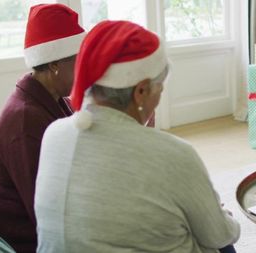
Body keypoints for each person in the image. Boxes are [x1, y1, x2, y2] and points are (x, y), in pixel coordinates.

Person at [35, 20, 240, 253]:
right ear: (141, 91)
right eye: (159, 88)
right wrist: (225, 218)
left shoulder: (53, 135)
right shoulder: (174, 154)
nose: (159, 97)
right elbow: (221, 234)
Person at [0, 4, 84, 253]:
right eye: (79, 61)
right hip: (12, 234)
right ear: (54, 65)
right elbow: (44, 213)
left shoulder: (53, 99)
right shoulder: (25, 121)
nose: (85, 70)